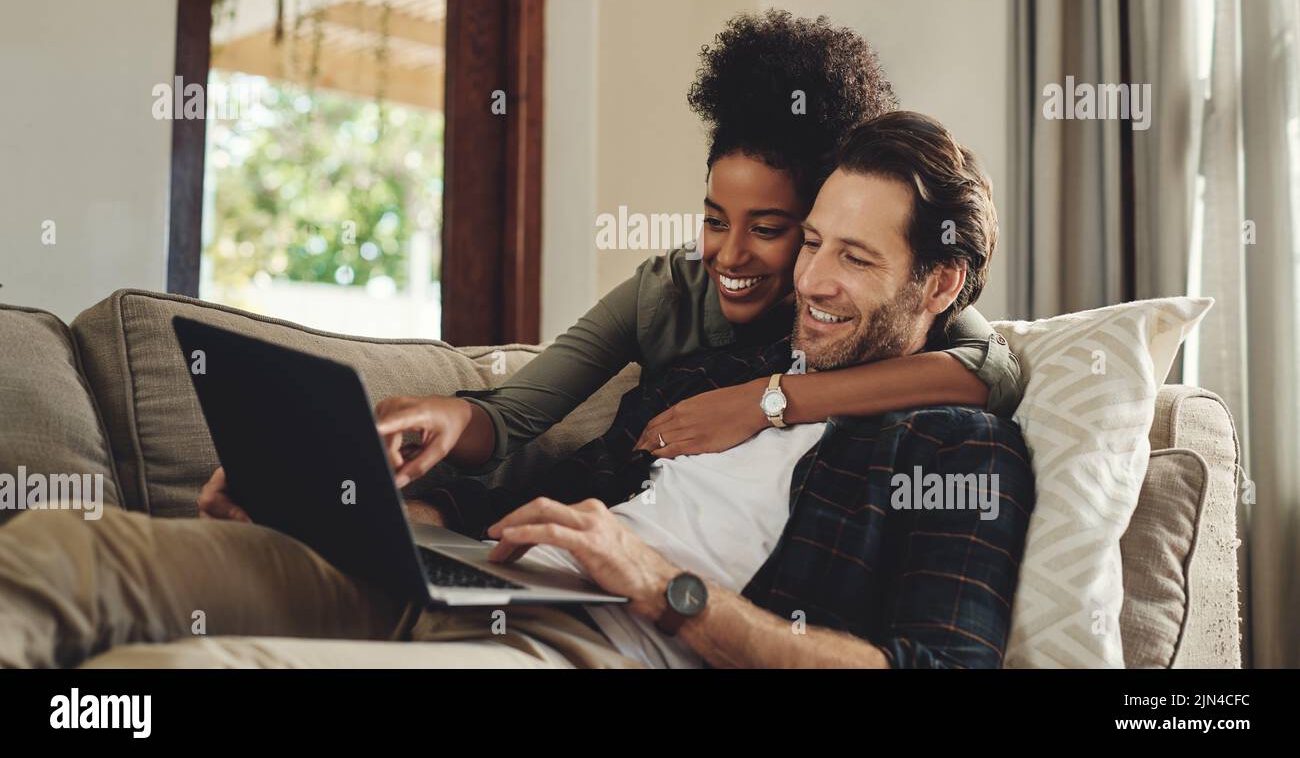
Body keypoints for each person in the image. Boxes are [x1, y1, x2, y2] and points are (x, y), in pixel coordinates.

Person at [0, 112, 1033, 669]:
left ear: (937, 282)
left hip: (596, 643)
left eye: (852, 258)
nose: (806, 279)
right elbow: (530, 476)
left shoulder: (955, 452)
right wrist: (347, 506)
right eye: (810, 241)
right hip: (465, 584)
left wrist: (659, 584)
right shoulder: (713, 367)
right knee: (61, 549)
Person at [198, 10, 1021, 523]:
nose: (732, 256)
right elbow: (517, 416)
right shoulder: (670, 295)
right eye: (712, 220)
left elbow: (990, 368)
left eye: (776, 230)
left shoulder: (869, 310)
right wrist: (449, 418)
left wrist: (764, 401)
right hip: (584, 496)